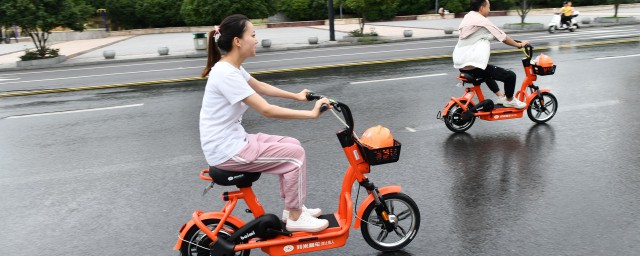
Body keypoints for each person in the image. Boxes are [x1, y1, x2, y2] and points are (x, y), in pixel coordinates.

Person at [199, 14, 331, 233]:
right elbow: (266, 109)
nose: (256, 39)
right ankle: (296, 217)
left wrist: (297, 97)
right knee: (294, 157)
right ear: (237, 41)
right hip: (227, 149)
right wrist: (311, 115)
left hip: (232, 141)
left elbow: (260, 86)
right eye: (253, 34)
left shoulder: (232, 68)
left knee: (293, 144)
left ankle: (292, 210)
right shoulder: (225, 74)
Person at [452, 0, 529, 109]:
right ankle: (510, 100)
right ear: (482, 8)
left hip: (462, 65)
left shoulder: (468, 17)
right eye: (488, 7)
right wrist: (519, 45)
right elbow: (503, 37)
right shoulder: (482, 21)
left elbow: (482, 35)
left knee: (487, 71)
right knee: (510, 76)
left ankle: (500, 96)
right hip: (473, 66)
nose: (489, 10)